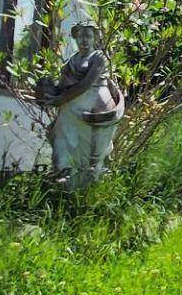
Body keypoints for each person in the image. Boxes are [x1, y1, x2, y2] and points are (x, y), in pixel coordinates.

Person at [46, 21, 124, 189]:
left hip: (92, 102)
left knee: (91, 147)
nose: (84, 40)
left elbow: (86, 84)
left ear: (95, 38)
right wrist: (48, 92)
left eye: (88, 36)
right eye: (80, 36)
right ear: (75, 37)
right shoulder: (71, 61)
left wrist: (61, 100)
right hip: (70, 106)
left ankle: (88, 185)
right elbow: (63, 85)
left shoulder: (98, 57)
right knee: (61, 140)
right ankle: (66, 178)